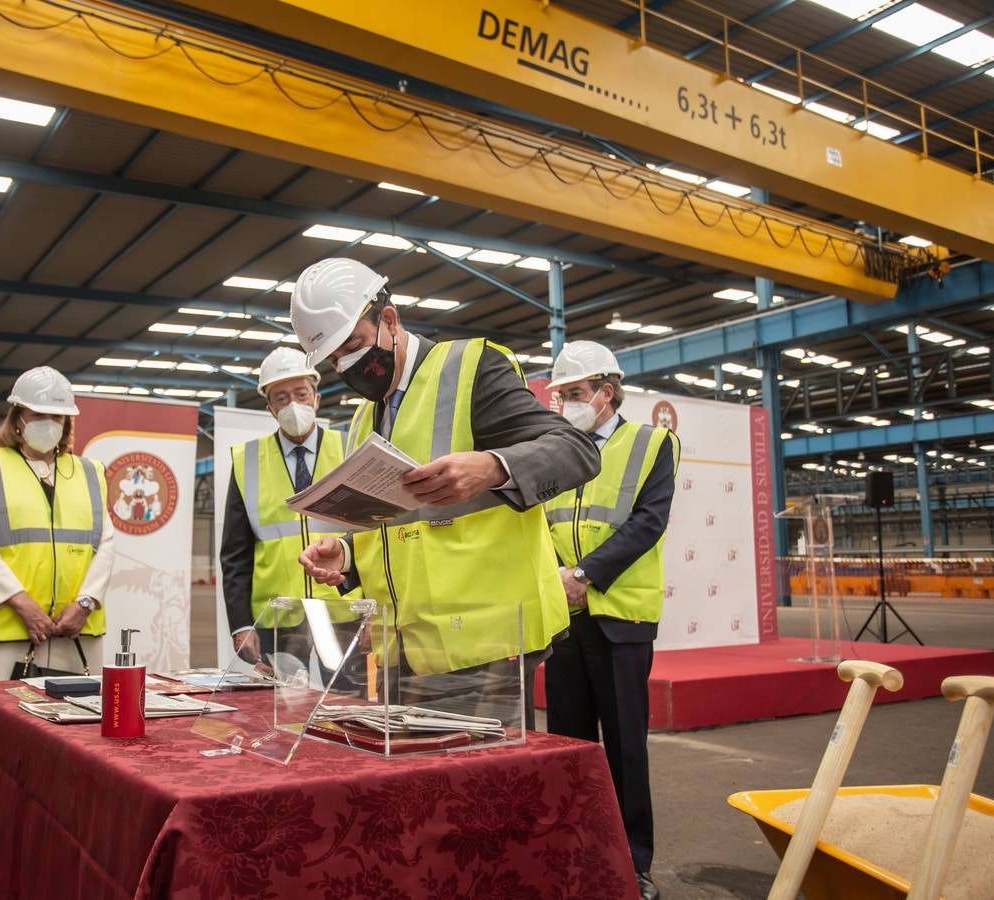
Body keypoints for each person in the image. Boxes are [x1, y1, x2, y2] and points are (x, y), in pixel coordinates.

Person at [291, 257, 600, 723]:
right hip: (405, 652)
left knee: (482, 793)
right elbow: (400, 526)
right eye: (333, 359)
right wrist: (348, 558)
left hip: (485, 649)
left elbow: (576, 450)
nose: (347, 365)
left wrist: (494, 466)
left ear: (389, 320)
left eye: (353, 345)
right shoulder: (363, 418)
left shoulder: (470, 368)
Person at [542, 340, 679, 900]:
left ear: (607, 391)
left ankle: (632, 864)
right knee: (567, 746)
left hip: (619, 618)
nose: (567, 404)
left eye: (576, 394)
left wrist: (583, 575)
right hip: (562, 620)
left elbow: (648, 522)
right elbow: (535, 525)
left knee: (625, 747)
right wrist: (554, 578)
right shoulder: (552, 450)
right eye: (561, 396)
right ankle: (574, 856)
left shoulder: (652, 444)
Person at [0, 366, 113, 681]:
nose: (49, 424)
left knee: (74, 723)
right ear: (17, 418)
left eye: (57, 417)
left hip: (74, 632)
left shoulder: (90, 472)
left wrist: (85, 603)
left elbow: (105, 544)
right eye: (38, 414)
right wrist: (22, 604)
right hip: (3, 633)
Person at [220, 347, 359, 674]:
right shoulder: (247, 461)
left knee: (344, 712)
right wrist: (241, 624)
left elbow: (370, 535)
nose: (293, 405)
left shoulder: (350, 449)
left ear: (317, 398)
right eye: (281, 398)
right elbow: (235, 554)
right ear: (270, 408)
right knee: (281, 714)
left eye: (300, 394)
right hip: (277, 620)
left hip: (343, 612)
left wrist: (372, 609)